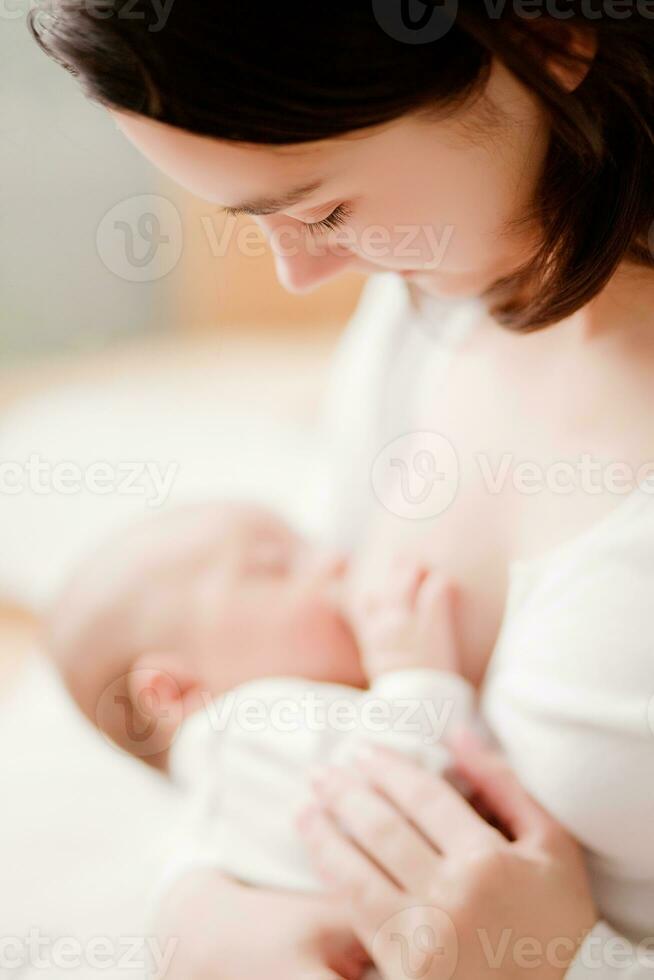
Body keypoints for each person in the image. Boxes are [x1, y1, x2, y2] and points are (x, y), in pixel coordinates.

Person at [29, 4, 654, 978]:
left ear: (545, 37)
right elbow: (273, 714)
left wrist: (571, 962)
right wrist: (198, 909)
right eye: (256, 221)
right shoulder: (427, 307)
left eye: (323, 210)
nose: (298, 274)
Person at [46, 500, 467, 980]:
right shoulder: (237, 736)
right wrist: (416, 675)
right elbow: (403, 807)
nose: (337, 561)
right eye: (277, 566)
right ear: (174, 691)